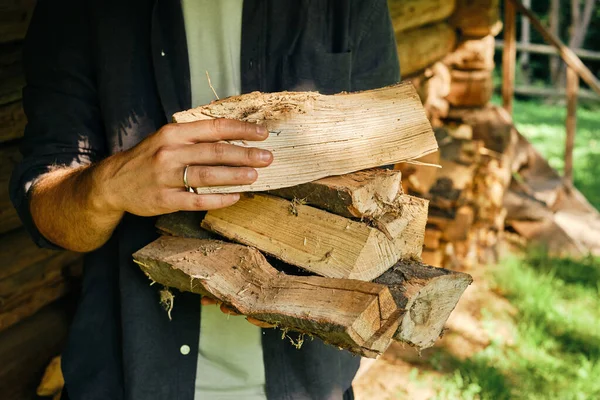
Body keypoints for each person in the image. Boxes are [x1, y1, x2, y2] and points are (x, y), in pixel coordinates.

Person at [10, 0, 400, 399]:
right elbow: (45, 211)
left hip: (310, 382)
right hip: (128, 377)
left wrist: (293, 286)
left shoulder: (352, 6)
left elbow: (381, 182)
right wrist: (110, 185)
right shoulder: (80, 11)